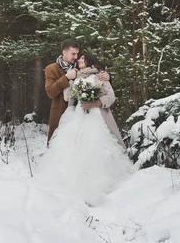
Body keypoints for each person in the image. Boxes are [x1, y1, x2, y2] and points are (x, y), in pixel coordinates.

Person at [38, 52, 132, 206]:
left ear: (90, 62)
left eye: (82, 58)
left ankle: (97, 186)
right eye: (79, 58)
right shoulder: (76, 76)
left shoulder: (100, 76)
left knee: (94, 149)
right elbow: (68, 98)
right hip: (76, 117)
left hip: (97, 118)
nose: (79, 60)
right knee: (73, 150)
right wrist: (71, 84)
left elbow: (111, 96)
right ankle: (71, 185)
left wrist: (95, 102)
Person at [44, 39, 109, 144]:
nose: (76, 57)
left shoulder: (80, 65)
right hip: (61, 111)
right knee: (59, 146)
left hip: (83, 114)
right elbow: (50, 92)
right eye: (73, 54)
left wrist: (107, 76)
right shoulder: (51, 69)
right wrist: (66, 77)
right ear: (64, 52)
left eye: (77, 54)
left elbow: (95, 70)